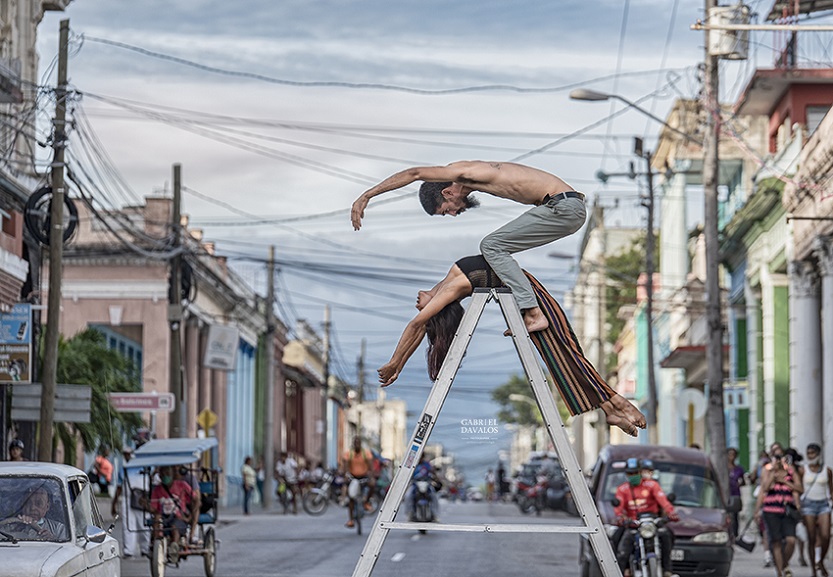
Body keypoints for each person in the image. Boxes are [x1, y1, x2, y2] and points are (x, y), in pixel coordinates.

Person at [376, 254, 646, 436]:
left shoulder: (446, 286)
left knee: (563, 355)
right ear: (438, 311)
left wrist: (396, 364)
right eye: (426, 312)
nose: (416, 307)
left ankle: (611, 407)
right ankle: (615, 404)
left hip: (527, 296)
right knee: (563, 354)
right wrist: (396, 363)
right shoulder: (448, 292)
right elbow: (417, 326)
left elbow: (417, 326)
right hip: (528, 298)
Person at [351, 161, 587, 334]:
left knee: (492, 245)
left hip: (562, 208)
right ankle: (528, 309)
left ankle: (534, 313)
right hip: (562, 208)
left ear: (447, 192)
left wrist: (367, 195)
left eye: (447, 209)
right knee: (496, 249)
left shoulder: (464, 172)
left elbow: (415, 173)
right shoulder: (474, 180)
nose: (454, 213)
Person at [613, 458, 679, 577]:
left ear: (640, 472)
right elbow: (618, 507)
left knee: (667, 535)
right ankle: (624, 570)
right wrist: (620, 517)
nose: (633, 476)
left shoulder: (651, 485)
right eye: (630, 474)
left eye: (635, 473)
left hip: (652, 522)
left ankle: (667, 570)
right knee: (619, 542)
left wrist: (671, 512)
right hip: (634, 524)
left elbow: (663, 501)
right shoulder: (622, 489)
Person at [754, 447, 804, 577]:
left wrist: (785, 482)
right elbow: (765, 488)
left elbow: (800, 489)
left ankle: (784, 563)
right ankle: (780, 573)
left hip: (787, 511)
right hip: (771, 511)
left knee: (790, 540)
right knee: (776, 541)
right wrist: (773, 473)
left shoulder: (791, 471)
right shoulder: (768, 470)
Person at [111, 446, 150, 558]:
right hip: (128, 499)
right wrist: (114, 503)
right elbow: (119, 488)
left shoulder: (145, 467)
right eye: (125, 454)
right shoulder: (124, 469)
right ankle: (129, 550)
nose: (127, 456)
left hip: (142, 499)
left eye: (128, 454)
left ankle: (145, 548)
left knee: (144, 524)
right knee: (128, 525)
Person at [150, 465, 195, 562]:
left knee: (175, 527)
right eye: (162, 474)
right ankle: (156, 542)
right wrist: (145, 504)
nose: (165, 476)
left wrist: (190, 516)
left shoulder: (182, 485)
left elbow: (195, 499)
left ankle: (174, 548)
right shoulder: (157, 490)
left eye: (167, 474)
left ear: (172, 474)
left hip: (178, 517)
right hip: (163, 517)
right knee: (157, 518)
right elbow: (153, 508)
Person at [801, 443, 832, 577]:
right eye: (808, 453)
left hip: (823, 504)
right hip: (808, 505)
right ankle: (814, 569)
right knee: (812, 537)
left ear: (818, 454)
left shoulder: (827, 470)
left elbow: (831, 489)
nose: (810, 456)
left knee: (825, 536)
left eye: (813, 453)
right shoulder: (803, 470)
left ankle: (820, 560)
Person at [341, 437, 376, 529]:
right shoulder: (349, 454)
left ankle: (366, 502)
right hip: (353, 477)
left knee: (372, 485)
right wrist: (345, 476)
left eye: (358, 443)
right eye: (355, 443)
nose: (357, 445)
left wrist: (371, 477)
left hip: (363, 476)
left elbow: (371, 466)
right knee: (351, 498)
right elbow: (345, 466)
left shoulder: (366, 453)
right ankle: (351, 520)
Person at [406, 454, 439, 521]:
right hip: (415, 484)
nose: (419, 458)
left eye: (421, 456)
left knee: (434, 496)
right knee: (408, 496)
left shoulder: (427, 464)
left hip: (427, 484)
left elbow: (432, 472)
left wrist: (435, 478)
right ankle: (410, 513)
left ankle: (434, 514)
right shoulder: (412, 465)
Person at [726, 447, 746, 539]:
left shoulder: (739, 469)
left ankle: (735, 534)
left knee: (735, 515)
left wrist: (740, 483)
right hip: (726, 493)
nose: (731, 457)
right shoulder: (724, 468)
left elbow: (743, 481)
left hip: (735, 493)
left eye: (733, 455)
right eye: (730, 455)